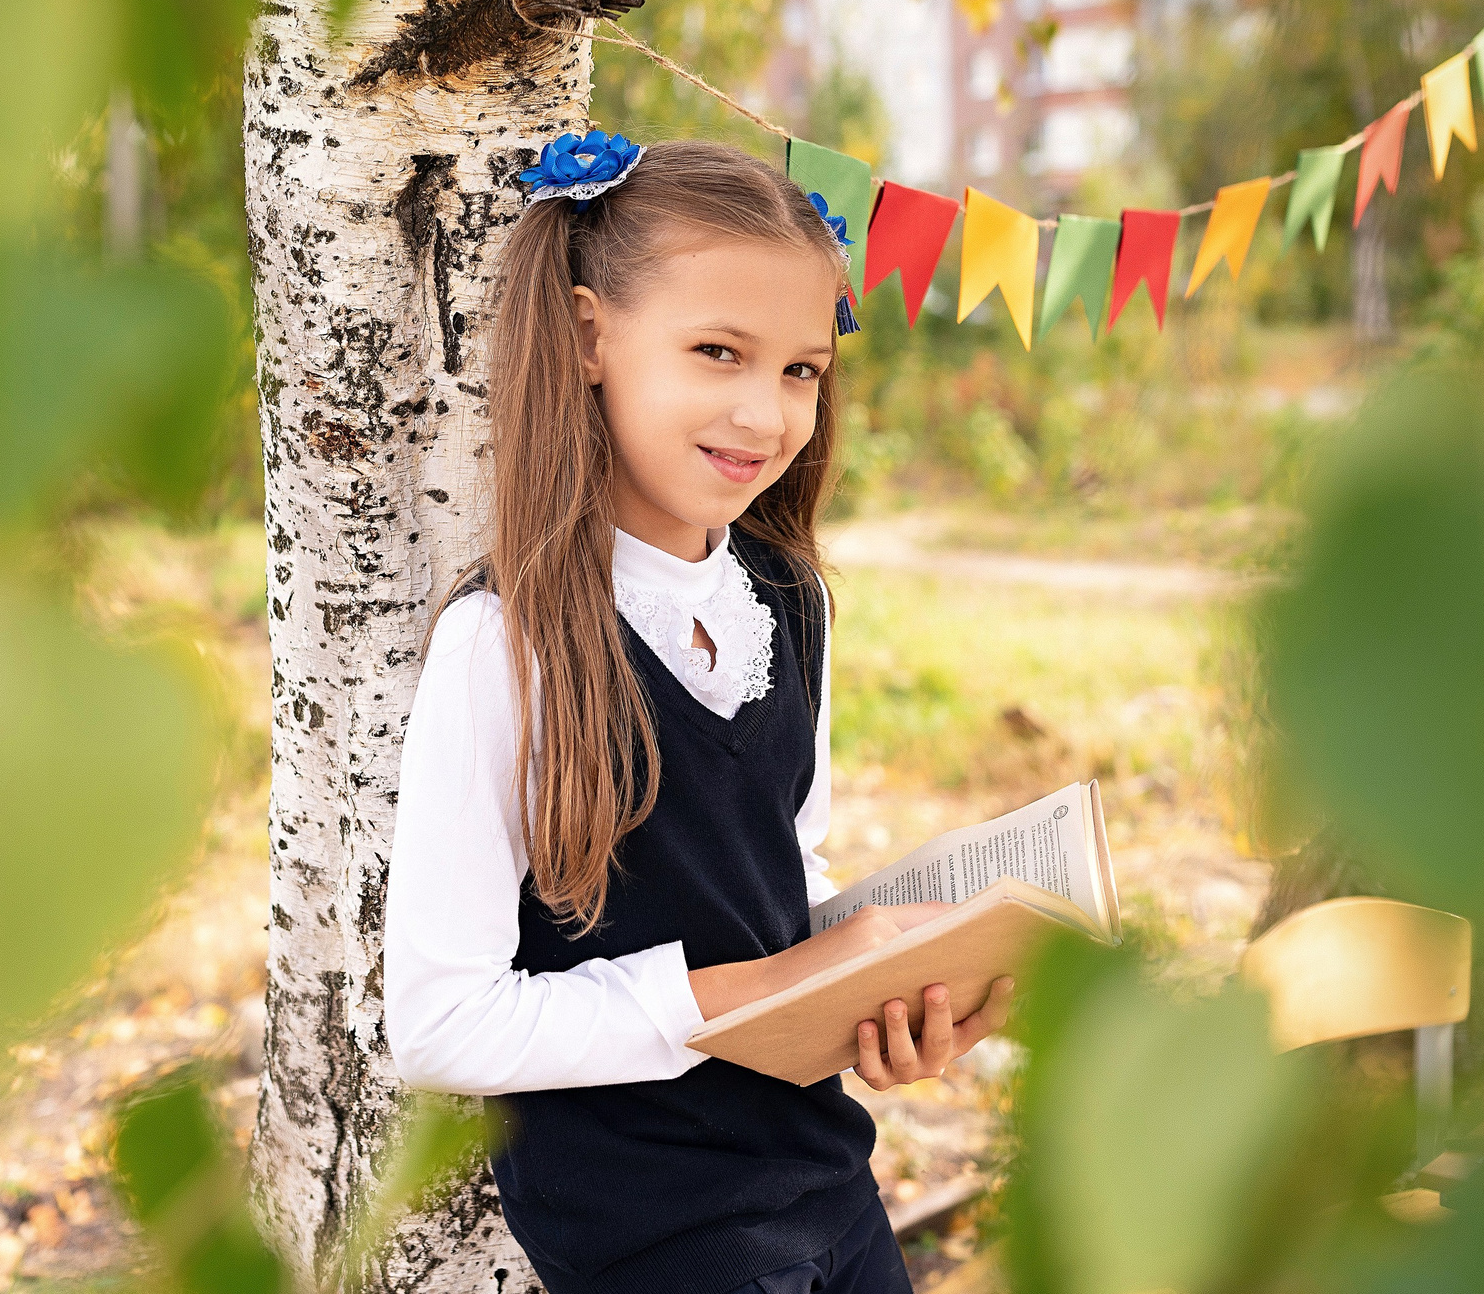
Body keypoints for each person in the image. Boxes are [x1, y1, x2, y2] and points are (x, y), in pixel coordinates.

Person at [385, 134, 1015, 1294]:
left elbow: (774, 872)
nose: (764, 413)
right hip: (655, 1239)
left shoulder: (789, 598)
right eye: (717, 351)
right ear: (588, 337)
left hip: (823, 1178)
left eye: (799, 369)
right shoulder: (504, 645)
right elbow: (441, 1021)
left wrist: (882, 995)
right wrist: (747, 992)